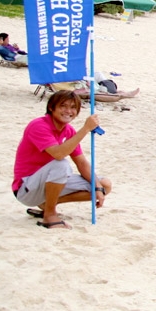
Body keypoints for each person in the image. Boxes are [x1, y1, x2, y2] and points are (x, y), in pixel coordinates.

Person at [12, 90, 111, 230]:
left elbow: (81, 162)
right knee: (61, 164)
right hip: (27, 187)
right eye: (63, 106)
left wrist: (98, 188)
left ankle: (47, 205)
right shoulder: (38, 125)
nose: (68, 111)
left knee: (104, 184)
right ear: (52, 108)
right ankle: (50, 215)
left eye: (72, 107)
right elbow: (58, 154)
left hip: (49, 182)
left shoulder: (68, 130)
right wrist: (85, 129)